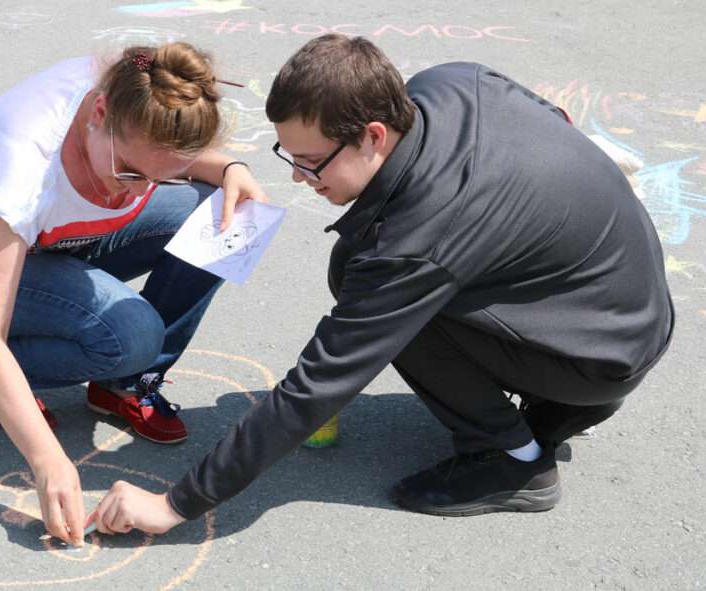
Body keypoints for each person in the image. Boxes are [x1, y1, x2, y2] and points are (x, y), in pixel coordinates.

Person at [88, 34, 673, 535]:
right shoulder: (452, 82)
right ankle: (544, 413)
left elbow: (320, 381)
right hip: (617, 318)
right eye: (288, 155)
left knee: (376, 288)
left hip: (596, 361)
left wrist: (175, 503)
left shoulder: (419, 239)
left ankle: (514, 461)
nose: (297, 176)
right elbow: (556, 121)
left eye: (312, 160)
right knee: (358, 263)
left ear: (372, 133)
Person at [0, 42, 266, 547]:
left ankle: (123, 383)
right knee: (131, 333)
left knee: (226, 215)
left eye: (156, 179)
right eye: (130, 173)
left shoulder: (141, 90)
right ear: (98, 112)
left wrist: (232, 170)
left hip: (62, 240)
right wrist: (49, 460)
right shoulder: (21, 160)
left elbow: (176, 159)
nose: (135, 191)